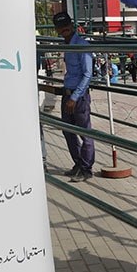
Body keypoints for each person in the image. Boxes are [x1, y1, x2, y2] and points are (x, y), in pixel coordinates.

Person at [53, 11, 94, 182]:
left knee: (84, 133)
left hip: (78, 96)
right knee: (68, 131)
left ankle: (86, 168)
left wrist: (74, 97)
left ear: (72, 26)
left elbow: (87, 74)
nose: (65, 30)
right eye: (61, 28)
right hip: (68, 93)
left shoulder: (81, 45)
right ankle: (78, 163)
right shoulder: (68, 45)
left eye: (67, 26)